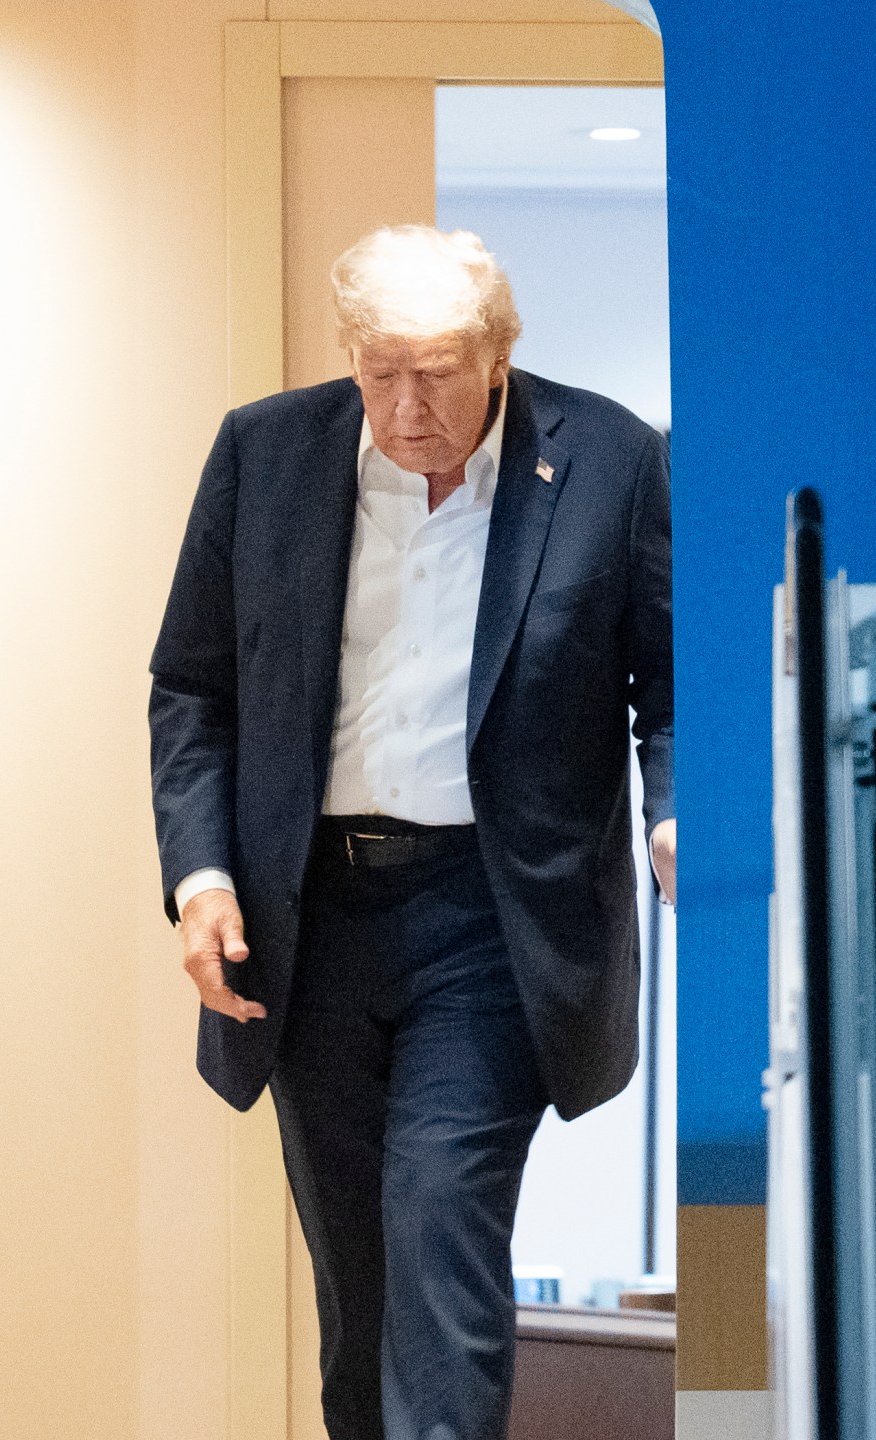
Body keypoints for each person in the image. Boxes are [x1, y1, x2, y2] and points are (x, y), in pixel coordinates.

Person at [148, 224, 674, 1440]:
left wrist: (670, 813)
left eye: (434, 371)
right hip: (309, 918)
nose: (404, 403)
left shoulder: (604, 457)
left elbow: (667, 672)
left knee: (440, 1219)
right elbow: (193, 686)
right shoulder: (266, 452)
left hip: (489, 918)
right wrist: (201, 874)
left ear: (498, 356)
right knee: (359, 1278)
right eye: (379, 369)